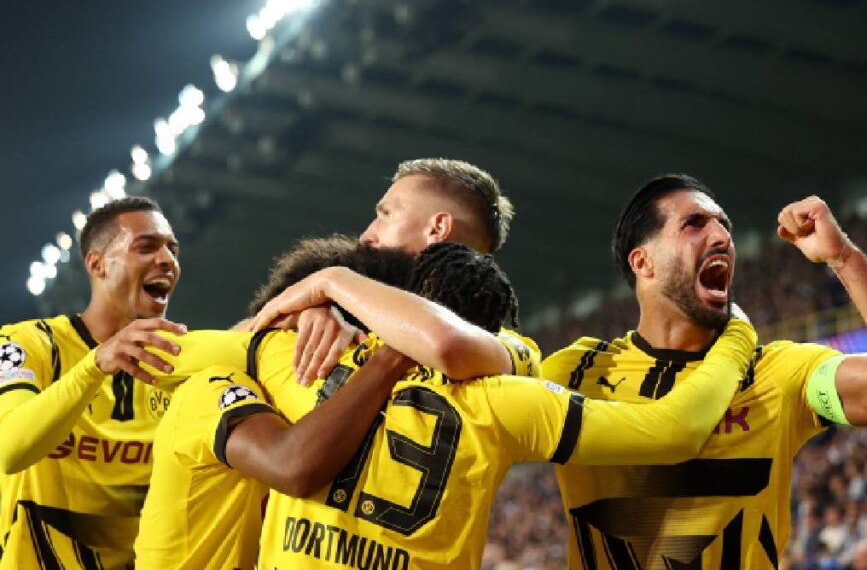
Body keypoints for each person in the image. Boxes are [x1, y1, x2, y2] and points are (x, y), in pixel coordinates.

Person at [253, 242, 758, 569]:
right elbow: (674, 430)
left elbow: (210, 352)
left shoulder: (306, 357)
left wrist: (319, 300)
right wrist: (736, 336)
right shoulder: (509, 392)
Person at [541, 174, 867, 568]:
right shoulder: (579, 370)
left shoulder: (778, 373)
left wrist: (843, 257)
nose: (721, 237)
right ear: (643, 261)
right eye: (694, 224)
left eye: (725, 227)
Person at [134, 238, 535, 569]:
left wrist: (331, 291)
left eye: (387, 212)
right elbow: (292, 465)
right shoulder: (217, 388)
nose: (372, 232)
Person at [0, 197, 187, 569]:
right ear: (97, 264)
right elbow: (10, 448)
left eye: (172, 249)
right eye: (147, 247)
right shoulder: (29, 345)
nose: (167, 260)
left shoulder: (182, 364)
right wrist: (94, 366)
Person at [290, 157, 537, 385]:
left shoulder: (508, 348)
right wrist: (308, 312)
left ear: (437, 228)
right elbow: (251, 330)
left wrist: (333, 281)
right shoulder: (335, 316)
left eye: (386, 215)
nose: (366, 236)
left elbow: (447, 343)